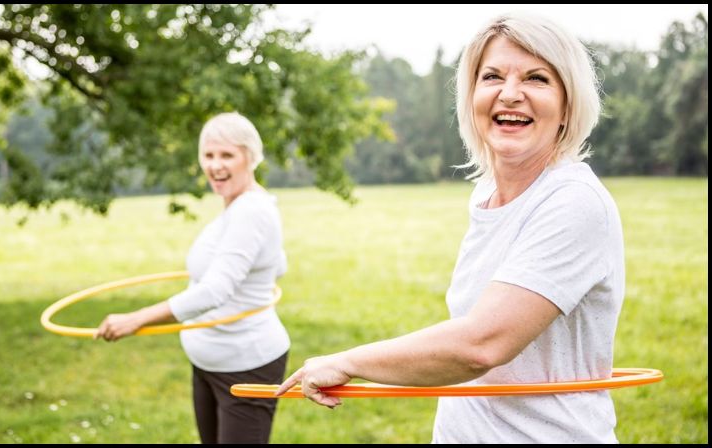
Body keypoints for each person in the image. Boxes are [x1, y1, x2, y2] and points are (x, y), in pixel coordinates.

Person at [276, 13, 625, 444]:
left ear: (567, 104)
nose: (510, 94)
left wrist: (347, 361)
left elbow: (481, 343)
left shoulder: (574, 202)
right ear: (471, 95)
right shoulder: (484, 196)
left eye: (536, 78)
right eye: (492, 76)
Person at [96, 112, 290, 444]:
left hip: (245, 364)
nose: (215, 165)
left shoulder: (251, 211)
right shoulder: (239, 205)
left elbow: (214, 290)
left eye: (227, 155)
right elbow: (278, 265)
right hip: (210, 360)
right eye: (209, 155)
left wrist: (136, 319)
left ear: (251, 157)